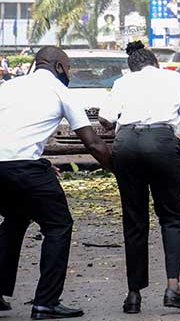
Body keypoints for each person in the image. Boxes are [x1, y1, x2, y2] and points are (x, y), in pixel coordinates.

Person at [98, 41, 180, 314]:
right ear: (155, 63)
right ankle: (173, 287)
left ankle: (133, 295)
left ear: (132, 66)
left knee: (134, 220)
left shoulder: (124, 82)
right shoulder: (176, 78)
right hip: (161, 144)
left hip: (126, 145)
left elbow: (105, 119)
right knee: (170, 217)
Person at [0, 47, 112, 320]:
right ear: (59, 67)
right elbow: (93, 143)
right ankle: (46, 303)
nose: (70, 74)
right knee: (58, 225)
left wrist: (40, 160)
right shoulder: (60, 91)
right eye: (69, 68)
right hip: (25, 170)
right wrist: (121, 171)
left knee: (15, 220)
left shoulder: (8, 86)